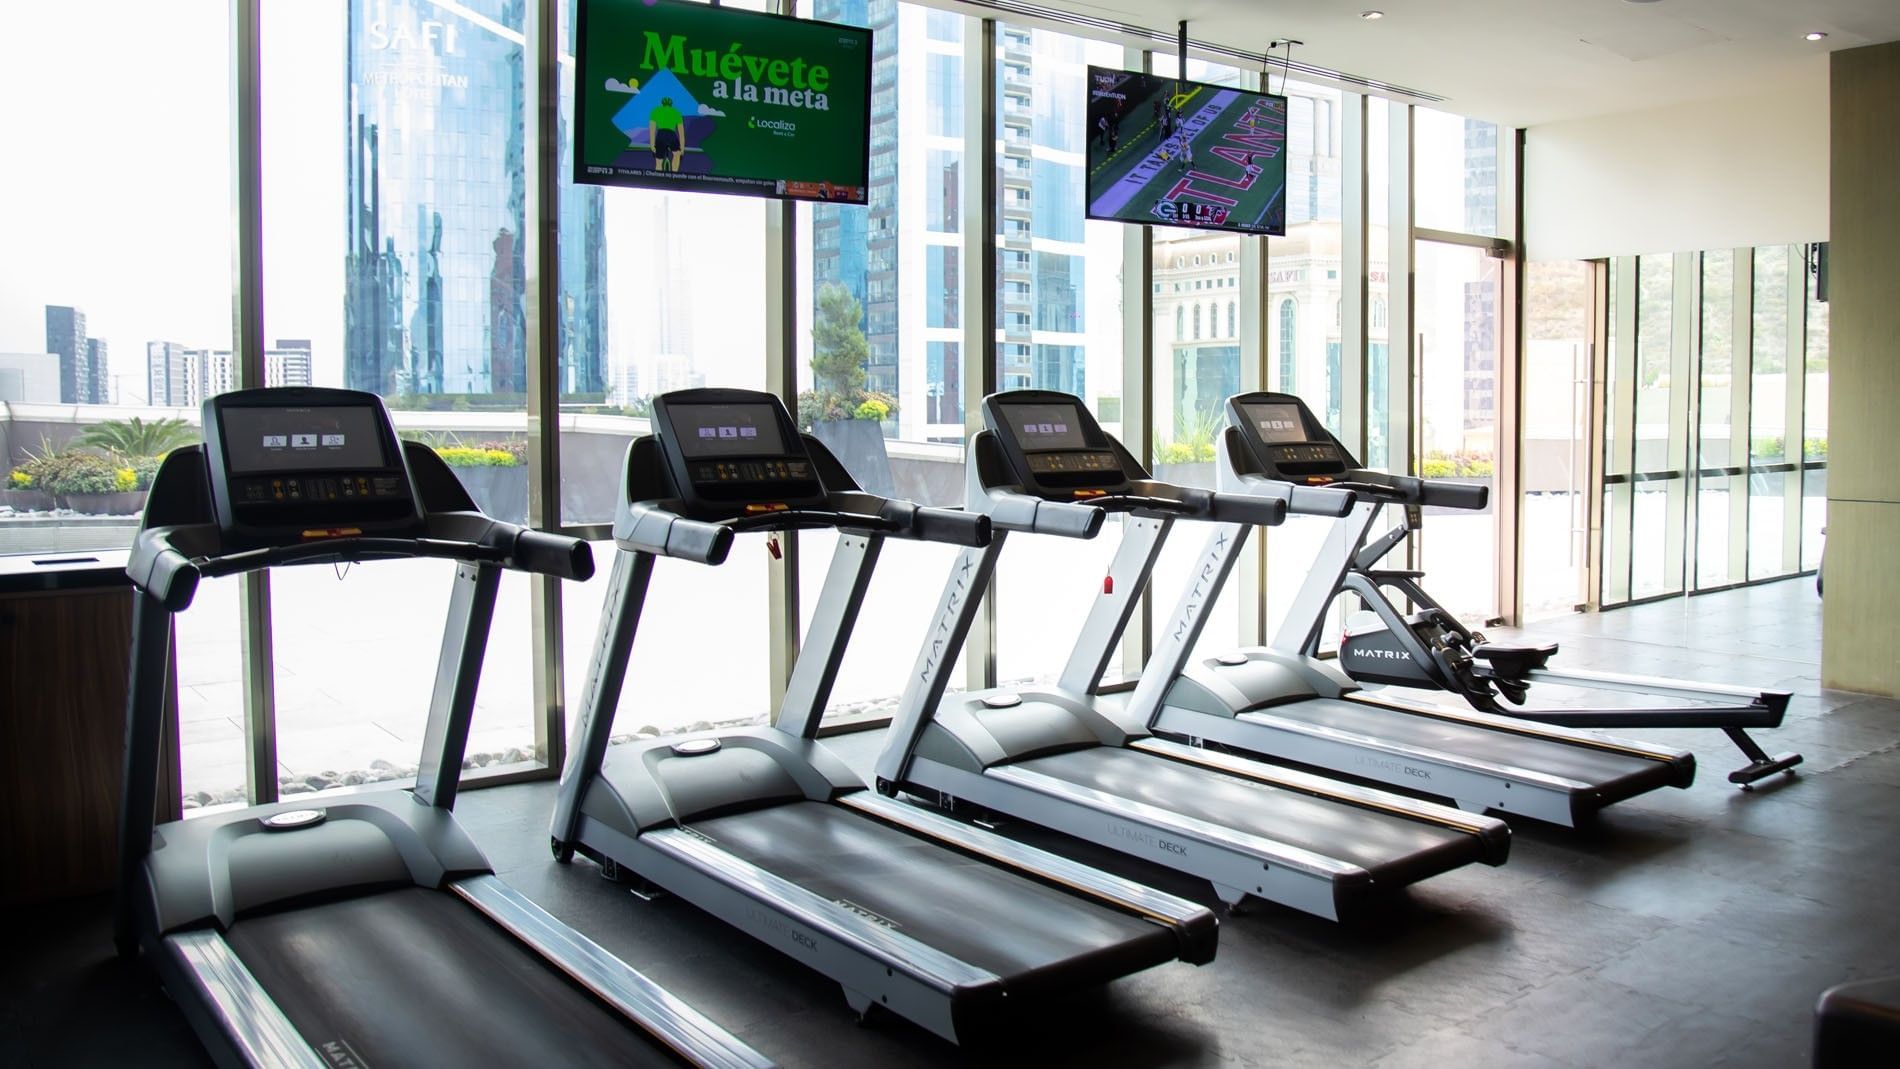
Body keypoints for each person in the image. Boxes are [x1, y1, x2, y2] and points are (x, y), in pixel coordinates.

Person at [648, 96, 685, 173]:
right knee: (677, 154)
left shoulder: (655, 111)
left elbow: (652, 130)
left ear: (662, 103)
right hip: (672, 135)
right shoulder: (676, 112)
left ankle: (658, 177)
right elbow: (681, 133)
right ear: (671, 104)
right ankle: (674, 174)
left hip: (661, 135)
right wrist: (682, 148)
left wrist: (652, 144)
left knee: (658, 161)